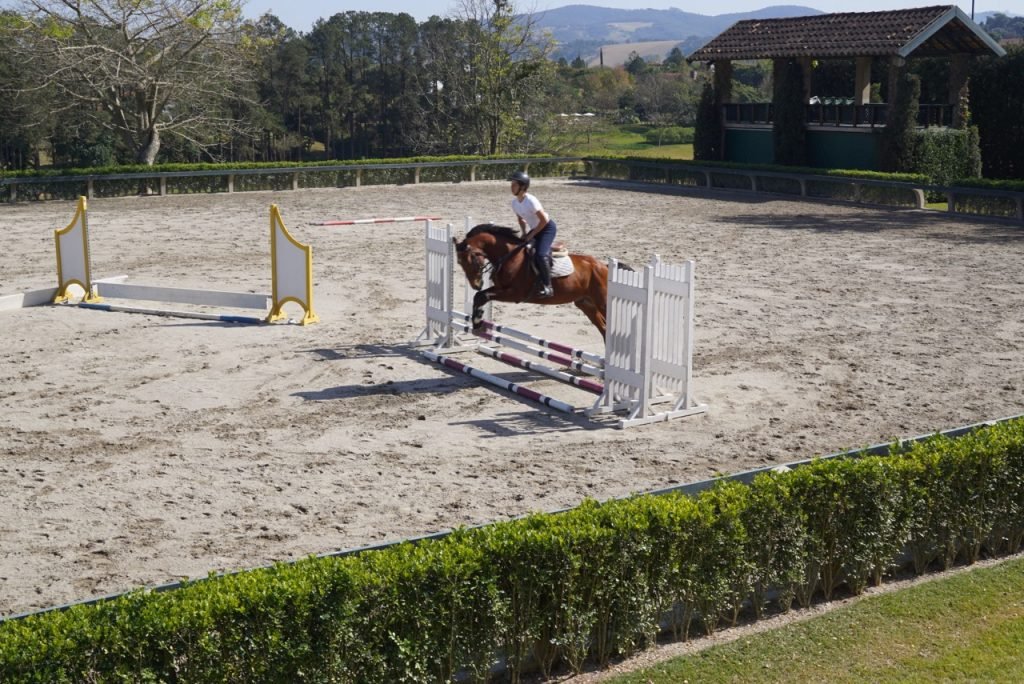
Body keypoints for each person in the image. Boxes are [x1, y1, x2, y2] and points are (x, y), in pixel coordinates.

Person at [508, 170, 555, 298]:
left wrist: (530, 235)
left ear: (522, 187)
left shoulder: (531, 200)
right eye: (511, 184)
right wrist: (524, 233)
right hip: (535, 229)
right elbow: (521, 219)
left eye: (514, 184)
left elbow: (544, 220)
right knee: (521, 250)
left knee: (540, 254)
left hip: (547, 228)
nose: (511, 187)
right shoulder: (514, 203)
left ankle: (548, 286)